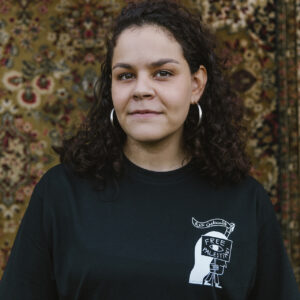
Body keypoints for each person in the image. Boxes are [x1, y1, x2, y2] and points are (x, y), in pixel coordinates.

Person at [0, 0, 299, 299]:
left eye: (162, 73)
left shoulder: (245, 202)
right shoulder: (61, 193)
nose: (141, 89)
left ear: (196, 84)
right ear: (111, 88)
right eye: (126, 75)